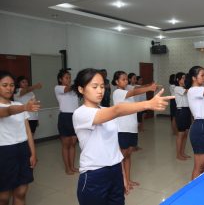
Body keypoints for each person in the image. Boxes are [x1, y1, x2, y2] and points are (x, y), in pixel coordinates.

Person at [71, 68, 173, 205]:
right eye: (94, 87)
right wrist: (148, 104)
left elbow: (114, 146)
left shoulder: (106, 111)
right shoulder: (80, 113)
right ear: (81, 89)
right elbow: (118, 109)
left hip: (115, 172)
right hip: (94, 175)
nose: (100, 90)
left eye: (102, 86)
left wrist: (123, 176)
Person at [112, 71, 157, 188]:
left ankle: (128, 179)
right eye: (123, 79)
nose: (126, 81)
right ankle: (121, 182)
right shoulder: (117, 92)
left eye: (126, 79)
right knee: (121, 156)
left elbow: (135, 90)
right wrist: (149, 88)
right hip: (122, 128)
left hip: (131, 128)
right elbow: (135, 91)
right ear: (116, 81)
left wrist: (148, 86)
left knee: (128, 156)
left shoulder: (126, 92)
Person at [0, 71, 38, 205]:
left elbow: (27, 131)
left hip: (23, 150)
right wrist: (24, 107)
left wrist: (33, 153)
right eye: (4, 85)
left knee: (21, 191)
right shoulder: (18, 107)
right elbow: (7, 111)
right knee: (3, 196)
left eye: (11, 85)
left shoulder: (19, 106)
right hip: (4, 152)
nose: (9, 88)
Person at [54, 69, 79, 174]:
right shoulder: (58, 88)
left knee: (73, 143)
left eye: (70, 77)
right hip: (65, 117)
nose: (69, 79)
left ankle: (72, 166)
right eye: (66, 77)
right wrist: (78, 83)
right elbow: (67, 89)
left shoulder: (74, 90)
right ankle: (67, 168)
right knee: (66, 144)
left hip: (75, 117)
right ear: (60, 79)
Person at [174, 72, 192, 160]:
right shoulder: (177, 88)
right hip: (181, 111)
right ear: (178, 80)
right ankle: (178, 154)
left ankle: (182, 152)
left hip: (187, 111)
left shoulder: (185, 88)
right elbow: (188, 91)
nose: (184, 80)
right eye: (183, 78)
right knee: (181, 134)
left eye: (185, 78)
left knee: (186, 133)